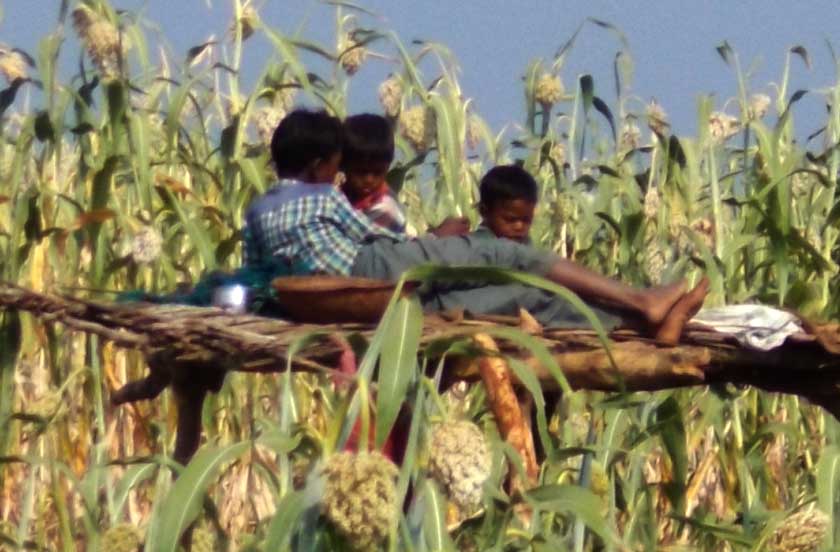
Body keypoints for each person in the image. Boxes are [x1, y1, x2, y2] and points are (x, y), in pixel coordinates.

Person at [244, 109, 708, 344]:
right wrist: (434, 241)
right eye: (336, 166)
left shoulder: (259, 210)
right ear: (321, 164)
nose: (339, 174)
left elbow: (255, 275)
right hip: (372, 270)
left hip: (351, 302)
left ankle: (647, 325)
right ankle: (640, 301)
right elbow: (374, 239)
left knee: (523, 297)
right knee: (508, 256)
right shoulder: (321, 194)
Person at [340, 113, 470, 237]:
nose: (369, 180)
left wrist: (435, 237)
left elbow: (395, 254)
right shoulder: (341, 196)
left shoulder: (385, 210)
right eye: (360, 172)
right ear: (342, 164)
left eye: (377, 172)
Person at [474, 164, 538, 243]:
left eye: (526, 220)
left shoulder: (525, 244)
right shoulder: (476, 246)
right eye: (510, 220)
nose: (519, 226)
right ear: (484, 211)